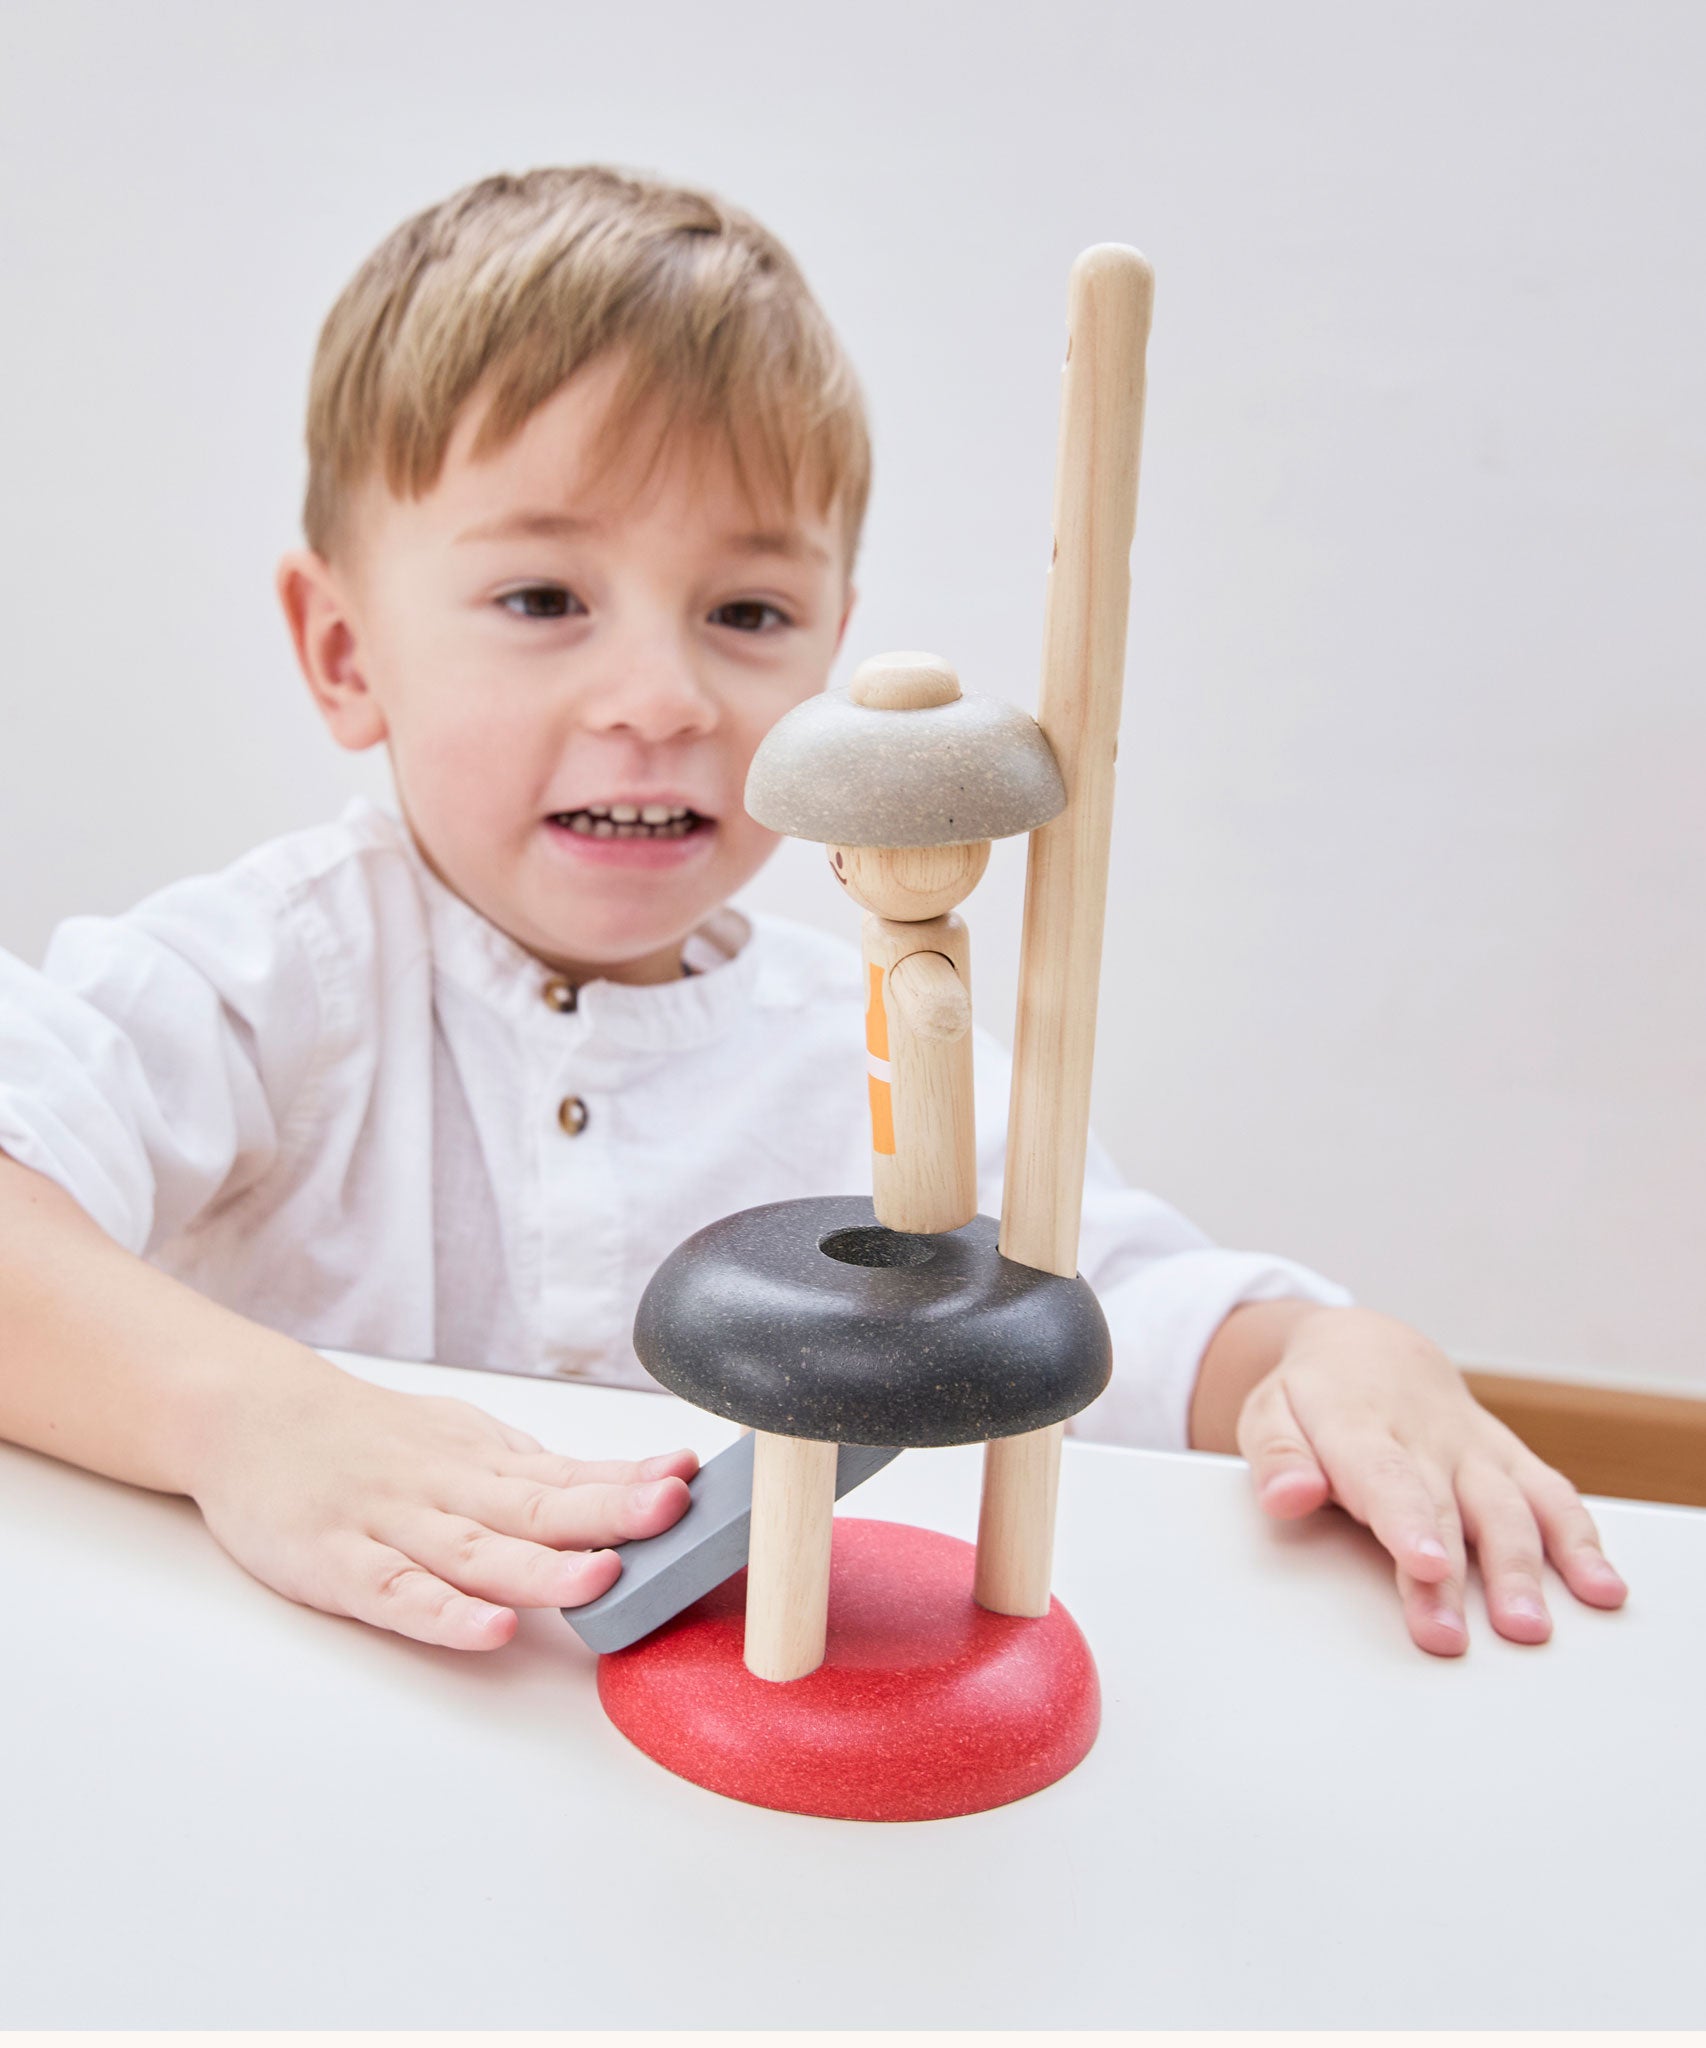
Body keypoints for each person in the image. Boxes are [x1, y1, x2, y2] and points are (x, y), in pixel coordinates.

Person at [0, 166, 1625, 1660]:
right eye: (543, 599)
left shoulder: (871, 1050)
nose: (660, 695)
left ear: (832, 650)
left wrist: (1324, 1360)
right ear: (345, 649)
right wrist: (252, 1420)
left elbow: (1126, 1308)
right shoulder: (273, 975)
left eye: (747, 612)